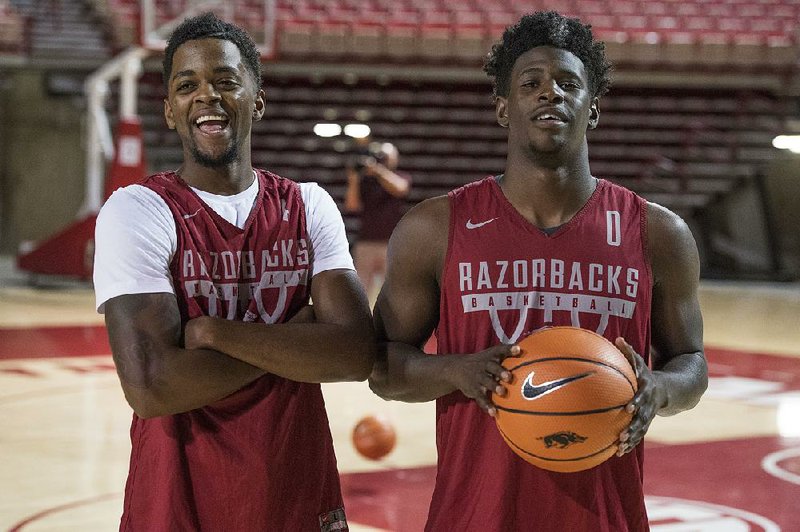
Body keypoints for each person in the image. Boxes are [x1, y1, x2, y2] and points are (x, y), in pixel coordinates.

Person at [369, 11, 708, 531]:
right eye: (532, 83)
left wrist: (658, 389)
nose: (551, 93)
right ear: (504, 108)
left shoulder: (657, 233)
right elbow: (381, 367)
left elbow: (692, 363)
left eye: (569, 83)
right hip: (475, 515)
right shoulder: (435, 228)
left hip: (605, 517)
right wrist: (457, 370)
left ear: (592, 109)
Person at [93, 12, 375, 531]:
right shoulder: (138, 210)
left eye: (226, 81)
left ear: (257, 101)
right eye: (187, 86)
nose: (207, 95)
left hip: (296, 493)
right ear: (171, 112)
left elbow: (357, 353)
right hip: (179, 501)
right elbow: (153, 387)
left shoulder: (308, 205)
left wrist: (215, 334)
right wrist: (296, 338)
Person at [344, 138, 411, 300]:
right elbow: (351, 206)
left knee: (395, 291)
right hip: (366, 242)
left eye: (386, 157)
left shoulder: (400, 176)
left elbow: (400, 189)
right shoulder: (367, 182)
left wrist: (378, 171)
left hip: (391, 243)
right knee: (361, 292)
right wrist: (353, 179)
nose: (382, 160)